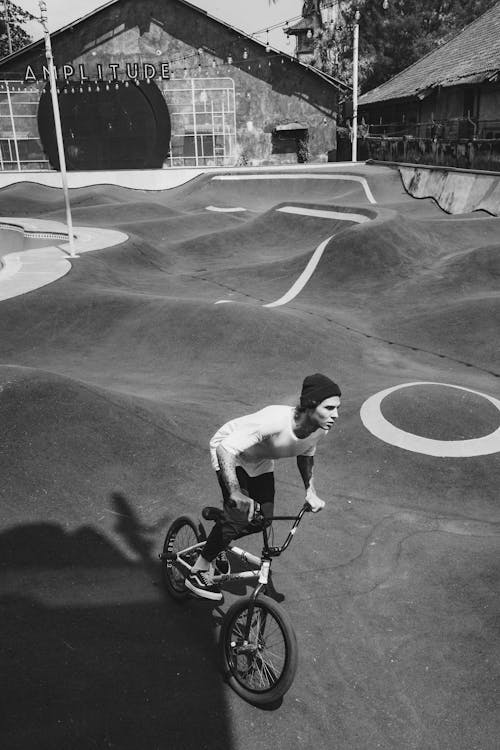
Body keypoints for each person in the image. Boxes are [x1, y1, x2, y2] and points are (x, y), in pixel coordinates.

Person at [185, 373, 342, 601]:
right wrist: (235, 492)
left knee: (262, 521)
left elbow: (306, 454)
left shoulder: (320, 429)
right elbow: (226, 450)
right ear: (310, 405)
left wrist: (311, 490)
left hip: (259, 460)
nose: (335, 415)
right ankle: (198, 569)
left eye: (337, 408)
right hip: (232, 451)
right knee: (240, 513)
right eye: (329, 408)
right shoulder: (274, 420)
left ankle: (220, 535)